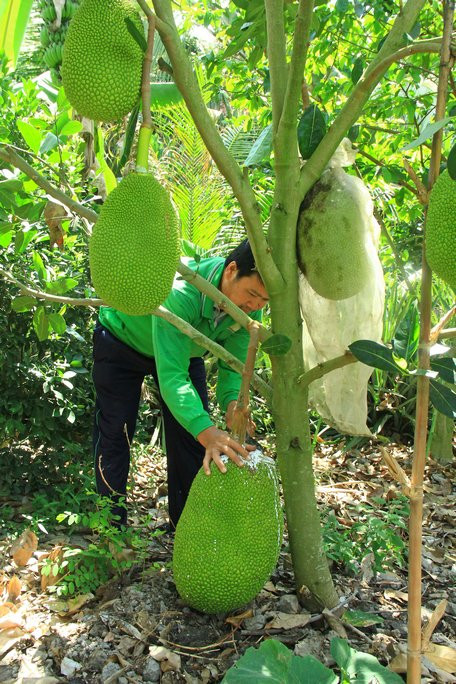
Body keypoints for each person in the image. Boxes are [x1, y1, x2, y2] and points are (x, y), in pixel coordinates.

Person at [92, 239, 269, 528]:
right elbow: (172, 377)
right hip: (123, 341)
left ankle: (185, 527)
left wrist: (232, 402)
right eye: (251, 295)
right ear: (231, 270)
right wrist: (207, 431)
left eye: (264, 301)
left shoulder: (250, 308)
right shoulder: (182, 292)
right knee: (116, 432)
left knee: (191, 438)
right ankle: (111, 529)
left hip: (186, 351)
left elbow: (235, 364)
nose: (255, 306)